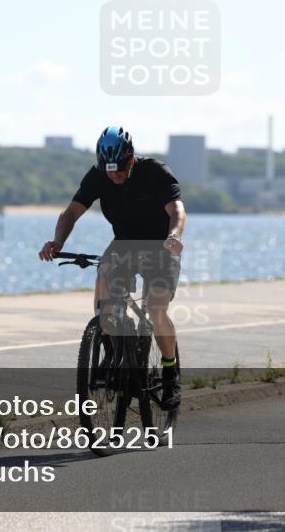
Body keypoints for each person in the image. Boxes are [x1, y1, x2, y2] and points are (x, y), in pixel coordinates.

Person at [39, 126, 187, 408]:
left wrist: (175, 235)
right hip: (124, 245)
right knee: (105, 286)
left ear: (131, 159)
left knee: (156, 309)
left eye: (120, 169)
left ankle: (170, 374)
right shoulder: (98, 176)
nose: (115, 175)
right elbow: (71, 212)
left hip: (162, 245)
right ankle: (111, 351)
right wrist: (57, 241)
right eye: (109, 170)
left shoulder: (156, 172)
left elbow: (176, 210)